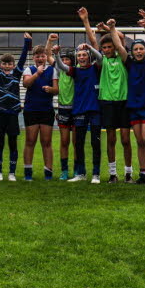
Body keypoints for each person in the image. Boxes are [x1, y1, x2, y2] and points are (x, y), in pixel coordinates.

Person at [79, 8, 132, 182]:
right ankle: (112, 174)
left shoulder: (123, 58)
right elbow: (93, 41)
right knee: (110, 139)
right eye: (105, 47)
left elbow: (121, 39)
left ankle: (129, 173)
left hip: (123, 102)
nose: (108, 49)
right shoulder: (101, 62)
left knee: (125, 139)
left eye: (110, 46)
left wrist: (111, 29)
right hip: (107, 102)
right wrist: (86, 21)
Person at [114, 18, 145, 184]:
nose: (139, 51)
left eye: (142, 49)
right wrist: (112, 28)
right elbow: (119, 47)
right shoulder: (129, 63)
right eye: (136, 49)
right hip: (133, 106)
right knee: (139, 141)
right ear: (132, 52)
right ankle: (143, 174)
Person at [57, 40, 103, 183]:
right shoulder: (75, 71)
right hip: (79, 110)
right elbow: (61, 66)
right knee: (79, 143)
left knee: (95, 143)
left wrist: (89, 47)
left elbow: (100, 57)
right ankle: (80, 173)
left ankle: (96, 174)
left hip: (95, 109)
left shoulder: (95, 68)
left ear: (88, 57)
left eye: (84, 55)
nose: (82, 58)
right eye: (79, 56)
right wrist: (56, 54)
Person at [0, 32, 31, 181]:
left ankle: (12, 172)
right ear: (0, 65)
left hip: (13, 114)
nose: (7, 66)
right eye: (4, 64)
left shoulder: (17, 74)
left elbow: (23, 58)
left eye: (9, 64)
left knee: (13, 144)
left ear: (13, 65)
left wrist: (27, 43)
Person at [22, 36, 58, 181]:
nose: (40, 58)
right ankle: (28, 172)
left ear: (45, 57)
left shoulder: (52, 71)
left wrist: (51, 89)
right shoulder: (29, 69)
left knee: (46, 141)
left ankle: (48, 173)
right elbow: (26, 84)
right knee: (30, 141)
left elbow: (57, 89)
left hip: (46, 110)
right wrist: (37, 73)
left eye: (43, 55)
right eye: (37, 56)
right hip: (31, 109)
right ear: (34, 57)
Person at [53, 46, 77, 180]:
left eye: (67, 59)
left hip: (76, 109)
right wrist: (51, 45)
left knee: (76, 142)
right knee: (64, 141)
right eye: (63, 59)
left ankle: (78, 169)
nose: (65, 61)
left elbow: (60, 64)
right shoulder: (58, 71)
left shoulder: (75, 71)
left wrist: (56, 55)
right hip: (63, 109)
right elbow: (53, 60)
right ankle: (64, 170)